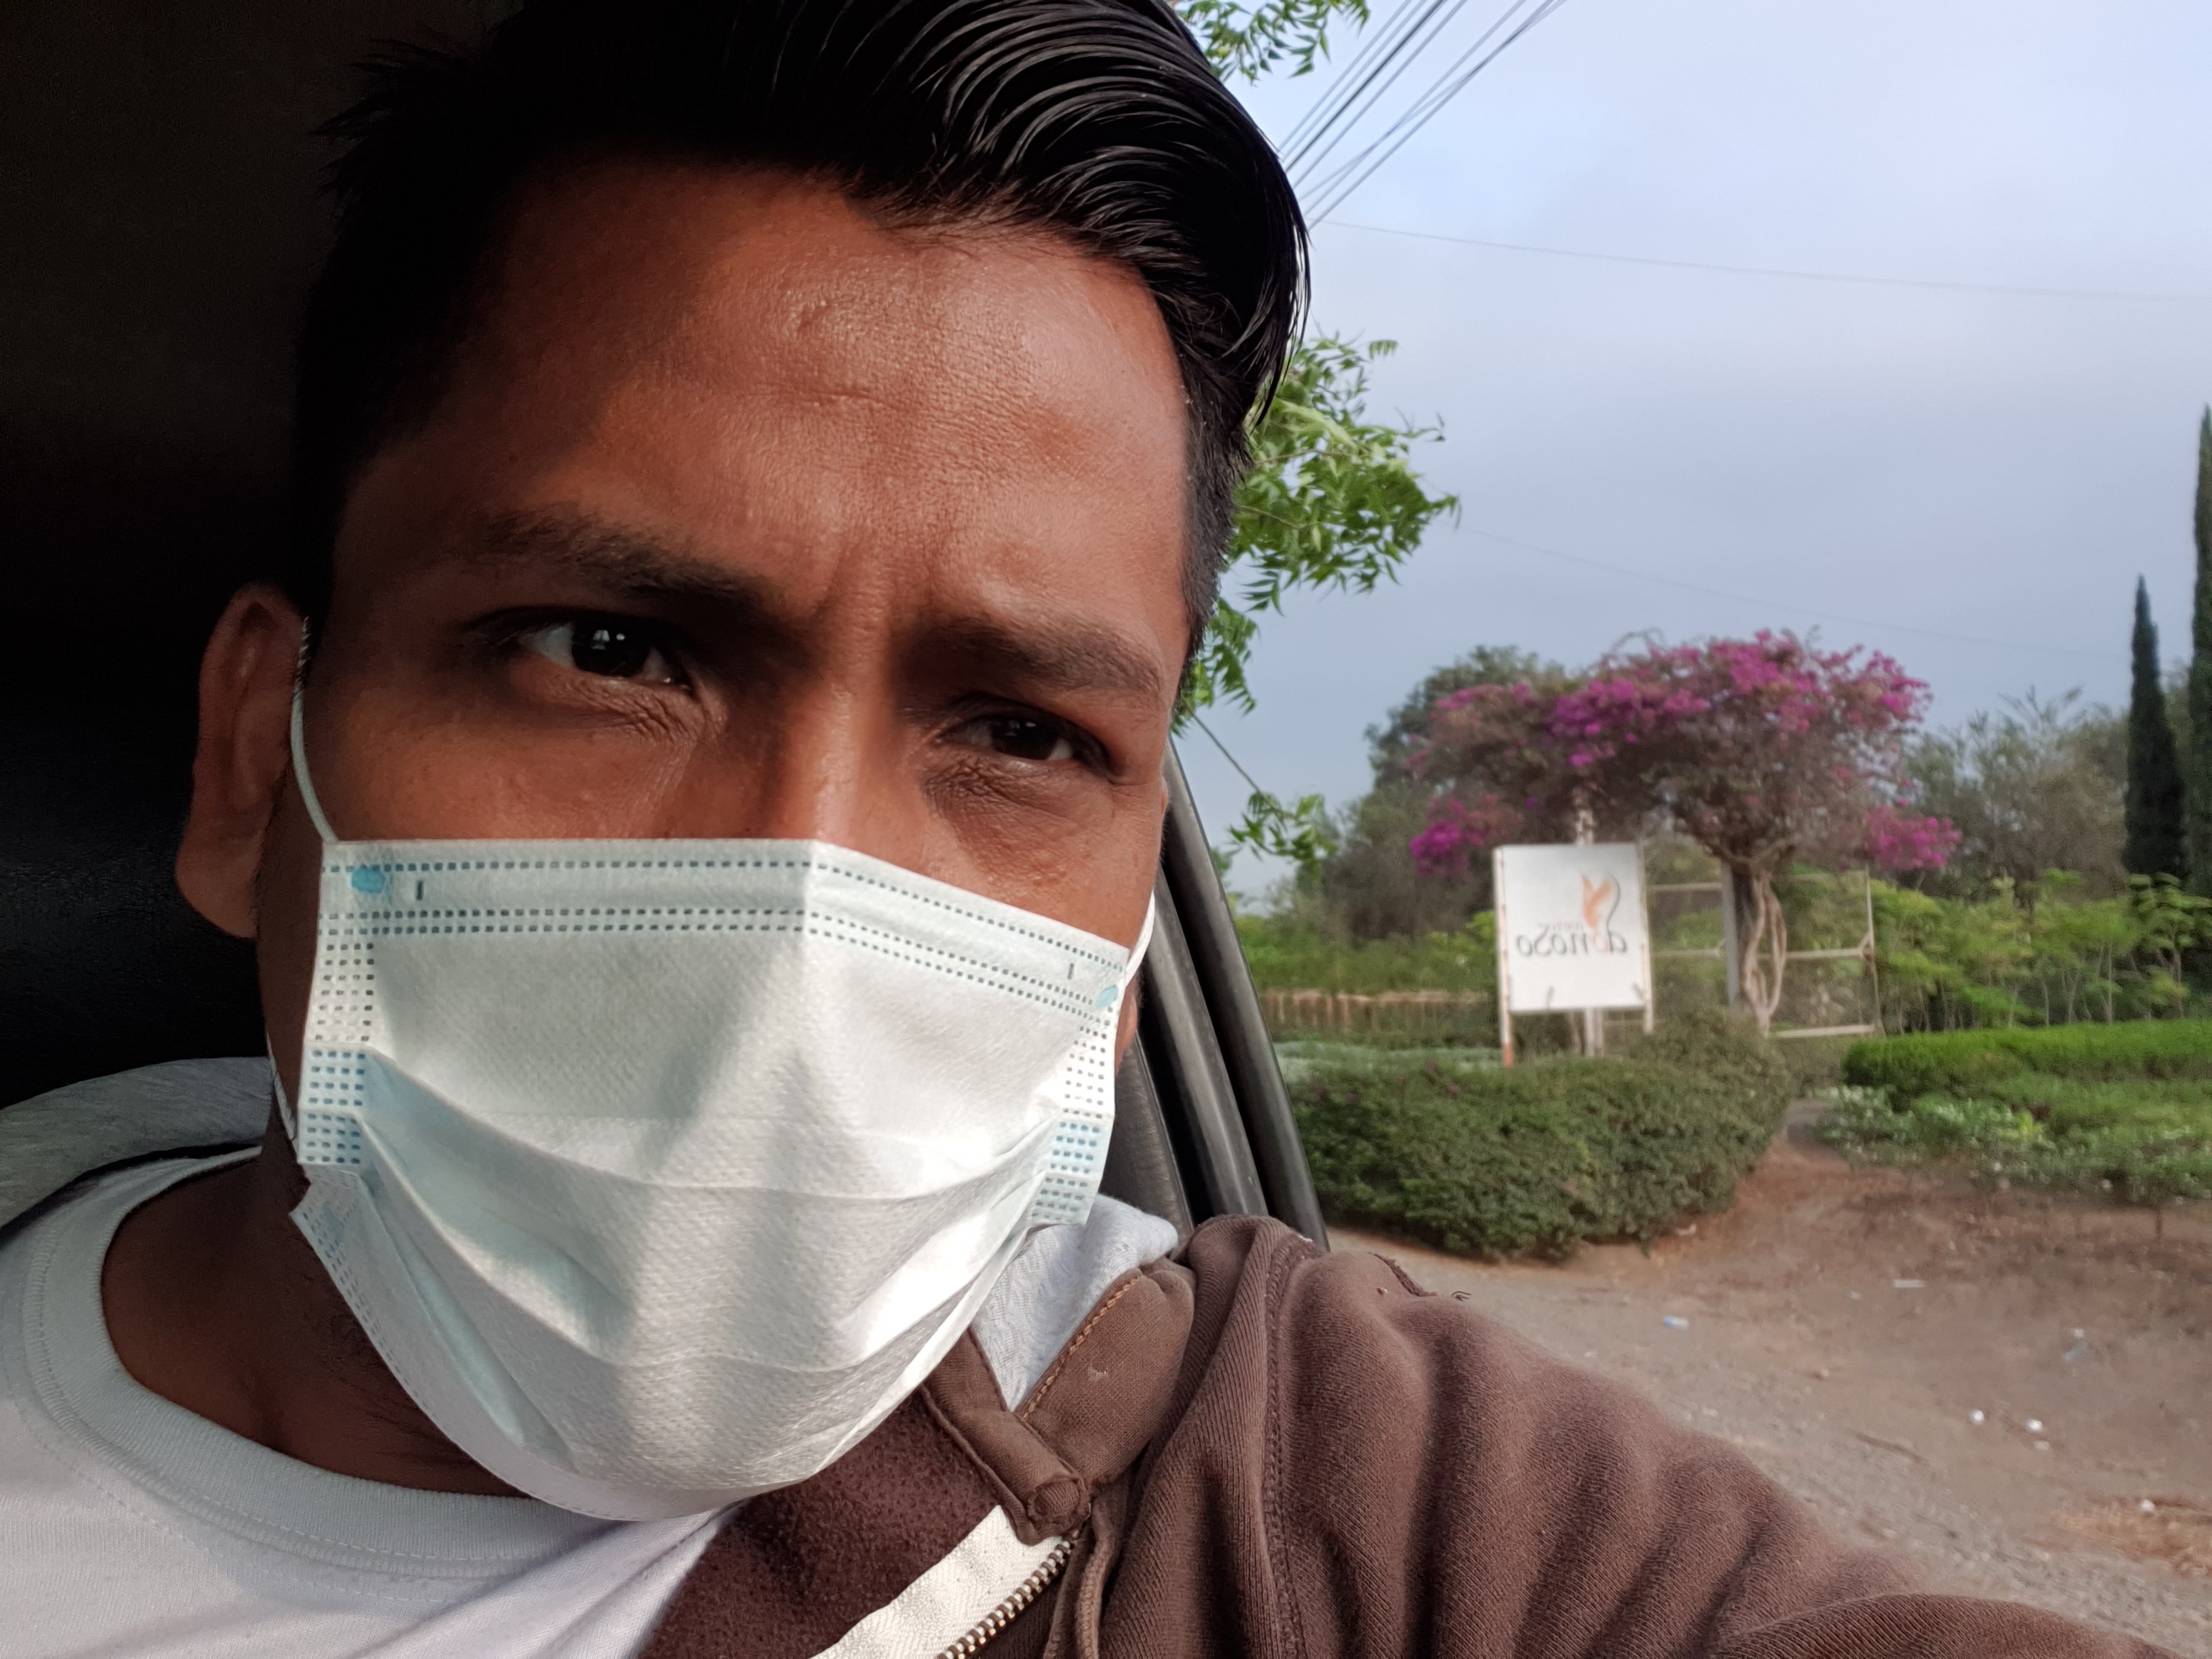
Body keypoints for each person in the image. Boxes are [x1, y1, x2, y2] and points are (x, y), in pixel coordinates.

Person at [0, 1, 2168, 1654]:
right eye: (609, 645)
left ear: (1125, 961)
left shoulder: (1296, 1472)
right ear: (251, 755)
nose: (811, 880)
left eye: (1023, 732)